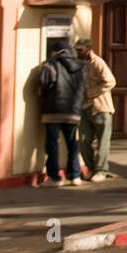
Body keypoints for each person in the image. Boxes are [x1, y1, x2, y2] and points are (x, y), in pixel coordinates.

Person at [39, 41, 86, 187]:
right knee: (72, 143)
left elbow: (44, 84)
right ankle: (75, 175)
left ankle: (55, 177)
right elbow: (84, 88)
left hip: (53, 110)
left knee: (52, 143)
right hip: (73, 111)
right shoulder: (80, 67)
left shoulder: (51, 65)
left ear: (55, 51)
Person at [76, 39, 116, 183]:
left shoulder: (97, 62)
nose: (78, 52)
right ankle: (91, 168)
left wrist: (92, 92)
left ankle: (101, 170)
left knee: (102, 142)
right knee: (84, 140)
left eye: (81, 50)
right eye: (77, 50)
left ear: (89, 48)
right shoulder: (78, 64)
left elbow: (110, 82)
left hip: (101, 108)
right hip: (85, 107)